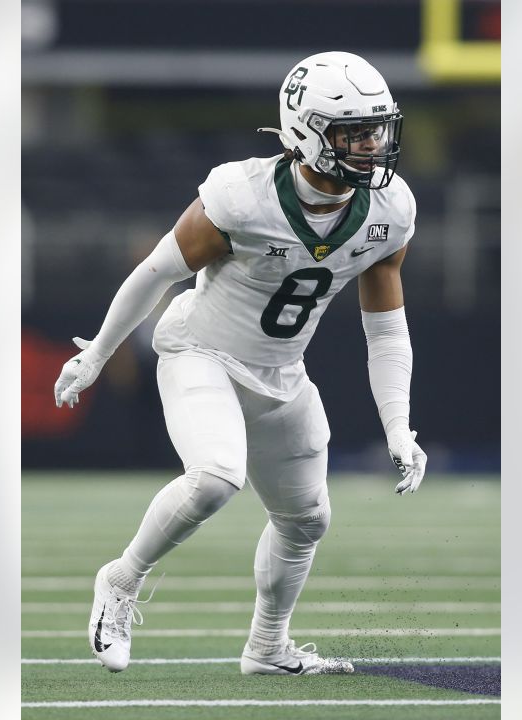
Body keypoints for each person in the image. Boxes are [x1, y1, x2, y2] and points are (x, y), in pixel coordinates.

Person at [53, 51, 427, 676]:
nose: (371, 146)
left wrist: (398, 425)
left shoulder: (390, 212)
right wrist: (98, 352)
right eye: (353, 132)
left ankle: (268, 647)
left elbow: (386, 329)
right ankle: (119, 581)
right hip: (202, 351)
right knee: (217, 475)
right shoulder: (242, 196)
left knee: (307, 519)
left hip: (282, 372)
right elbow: (156, 272)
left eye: (376, 129)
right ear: (307, 132)